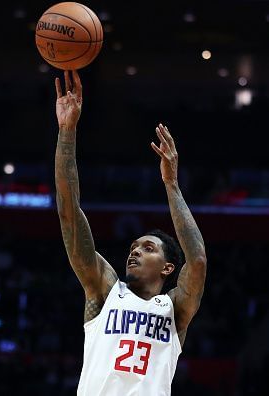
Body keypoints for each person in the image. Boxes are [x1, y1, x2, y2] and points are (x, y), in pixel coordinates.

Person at [54, 70, 207, 395]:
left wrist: (171, 184)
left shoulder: (174, 310)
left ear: (168, 268)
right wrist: (67, 132)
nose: (134, 251)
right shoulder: (105, 292)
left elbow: (197, 261)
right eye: (135, 246)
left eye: (148, 248)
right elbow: (69, 214)